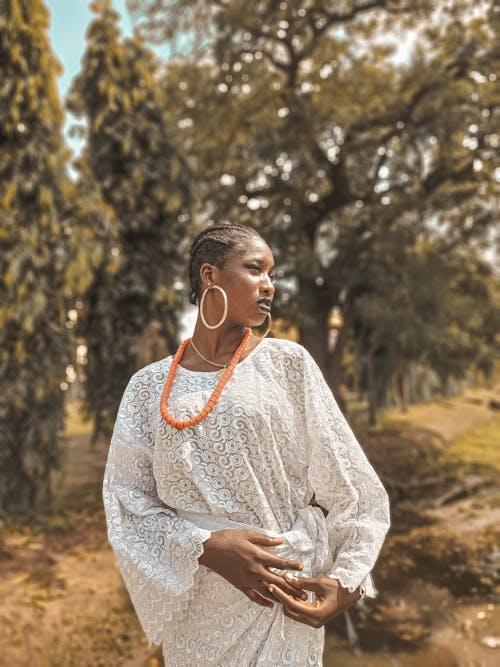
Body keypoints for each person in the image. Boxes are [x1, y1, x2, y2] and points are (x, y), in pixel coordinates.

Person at [103, 224, 390, 666]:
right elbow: (126, 501)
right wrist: (207, 546)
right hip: (197, 613)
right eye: (255, 268)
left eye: (272, 273)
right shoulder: (147, 387)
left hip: (280, 595)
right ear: (209, 276)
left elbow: (354, 487)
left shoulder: (287, 364)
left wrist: (346, 581)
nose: (269, 284)